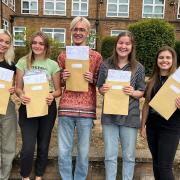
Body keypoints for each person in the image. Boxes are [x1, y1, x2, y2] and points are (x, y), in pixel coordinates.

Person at [57, 16, 103, 180]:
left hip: (87, 110)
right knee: (63, 150)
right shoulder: (63, 56)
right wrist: (63, 76)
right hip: (66, 108)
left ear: (88, 33)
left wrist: (93, 79)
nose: (78, 32)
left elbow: (102, 84)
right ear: (71, 31)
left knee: (83, 152)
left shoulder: (96, 57)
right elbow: (59, 84)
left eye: (82, 29)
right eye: (75, 29)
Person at [97, 31, 145, 180]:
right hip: (110, 116)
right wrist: (102, 89)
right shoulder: (106, 65)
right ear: (116, 44)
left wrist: (133, 92)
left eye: (127, 43)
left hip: (130, 117)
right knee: (110, 156)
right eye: (121, 43)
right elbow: (100, 87)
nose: (123, 46)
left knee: (129, 156)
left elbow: (141, 92)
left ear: (132, 46)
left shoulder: (138, 68)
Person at [15, 31, 61, 180]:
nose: (37, 46)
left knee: (43, 143)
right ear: (31, 44)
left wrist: (51, 95)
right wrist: (21, 95)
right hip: (28, 107)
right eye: (34, 42)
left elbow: (58, 90)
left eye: (41, 43)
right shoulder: (23, 62)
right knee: (28, 146)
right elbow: (18, 88)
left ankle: (39, 175)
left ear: (46, 46)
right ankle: (25, 176)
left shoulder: (53, 64)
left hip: (47, 107)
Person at [141, 46, 180, 180]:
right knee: (156, 165)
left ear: (173, 60)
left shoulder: (178, 81)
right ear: (157, 60)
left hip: (171, 128)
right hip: (152, 127)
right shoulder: (152, 81)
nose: (164, 60)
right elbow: (146, 105)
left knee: (164, 167)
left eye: (168, 57)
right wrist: (143, 127)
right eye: (161, 57)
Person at [0, 29, 17, 180]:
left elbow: (16, 86)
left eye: (7, 42)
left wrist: (13, 88)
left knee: (8, 144)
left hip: (6, 106)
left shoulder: (11, 64)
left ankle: (3, 177)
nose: (3, 44)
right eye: (0, 40)